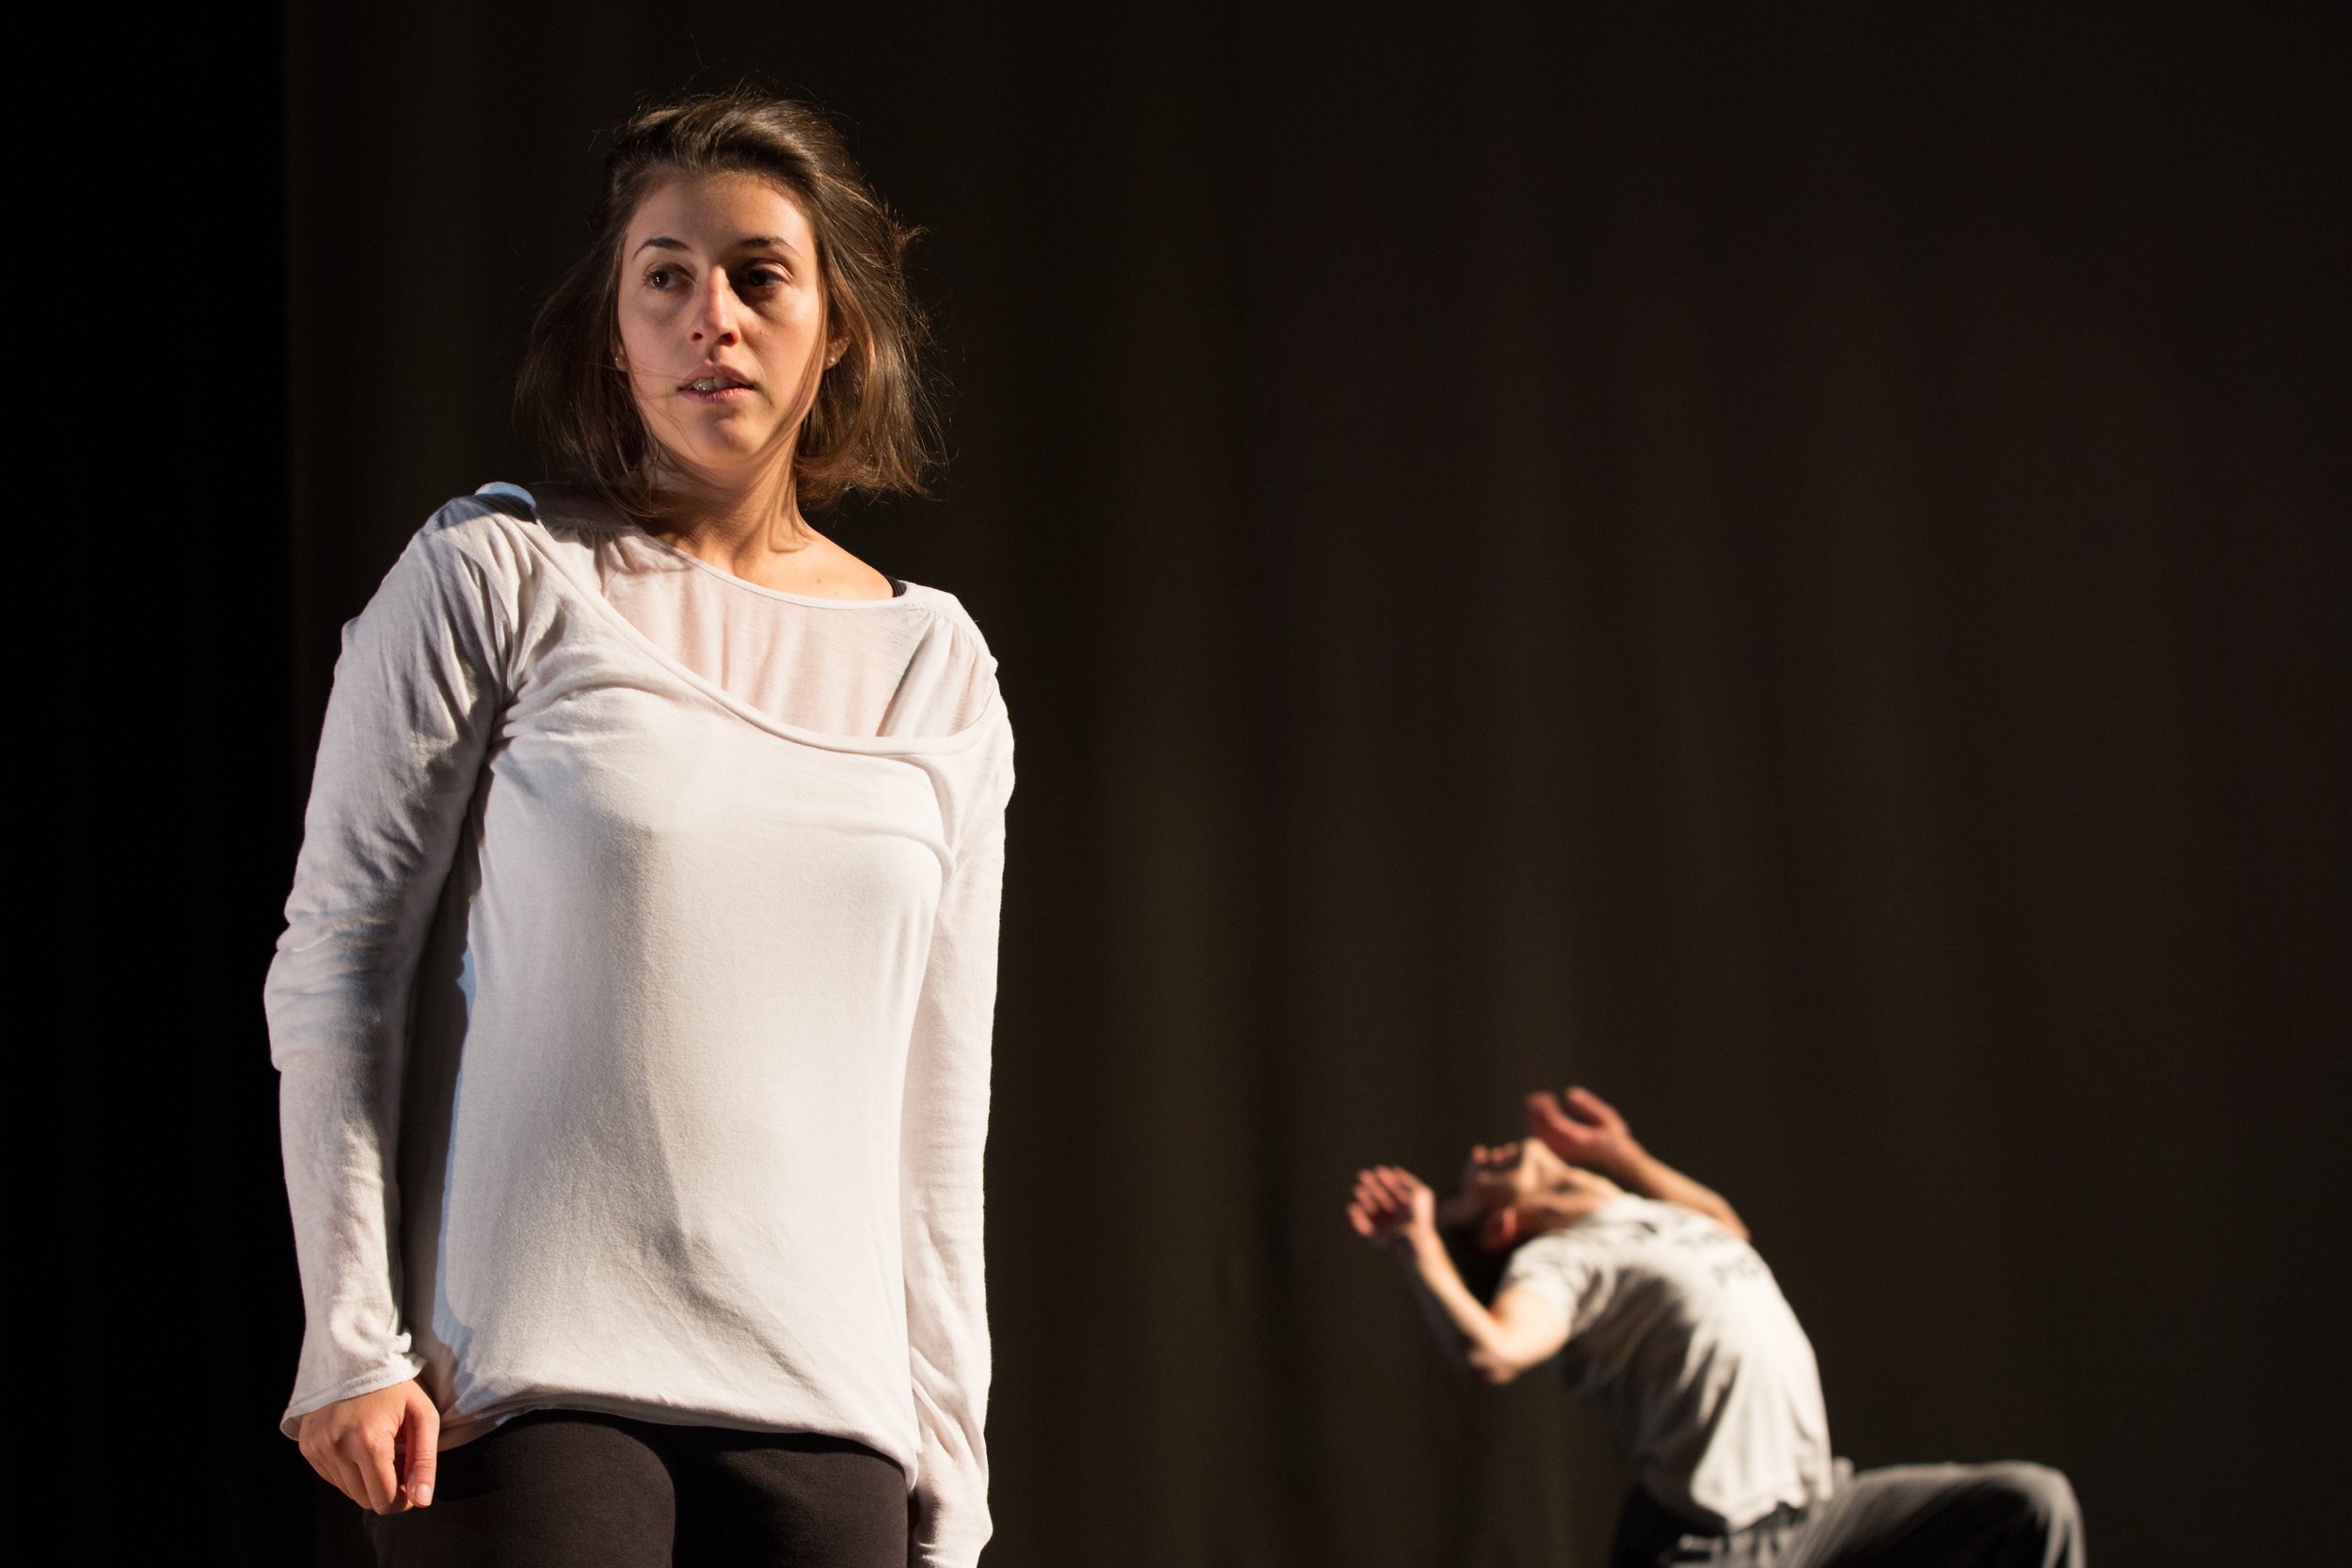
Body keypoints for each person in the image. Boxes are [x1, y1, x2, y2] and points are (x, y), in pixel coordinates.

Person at [267, 93, 1011, 1567]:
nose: (709, 317)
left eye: (757, 275)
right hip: (524, 1388)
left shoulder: (939, 664)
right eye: (663, 275)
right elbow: (337, 960)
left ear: (836, 328)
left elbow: (938, 1104)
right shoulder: (501, 570)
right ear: (614, 329)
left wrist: (954, 1465)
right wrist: (350, 1337)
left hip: (829, 1412)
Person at [1347, 1087, 2085, 1568]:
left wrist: (1621, 1156)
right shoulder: (1561, 1260)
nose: (1478, 1155)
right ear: (1504, 1227)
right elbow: (1492, 1349)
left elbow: (1728, 1228)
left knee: (2029, 1506)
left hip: (1821, 1509)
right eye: (1470, 1186)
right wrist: (1421, 1245)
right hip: (1717, 1545)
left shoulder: (1637, 1218)